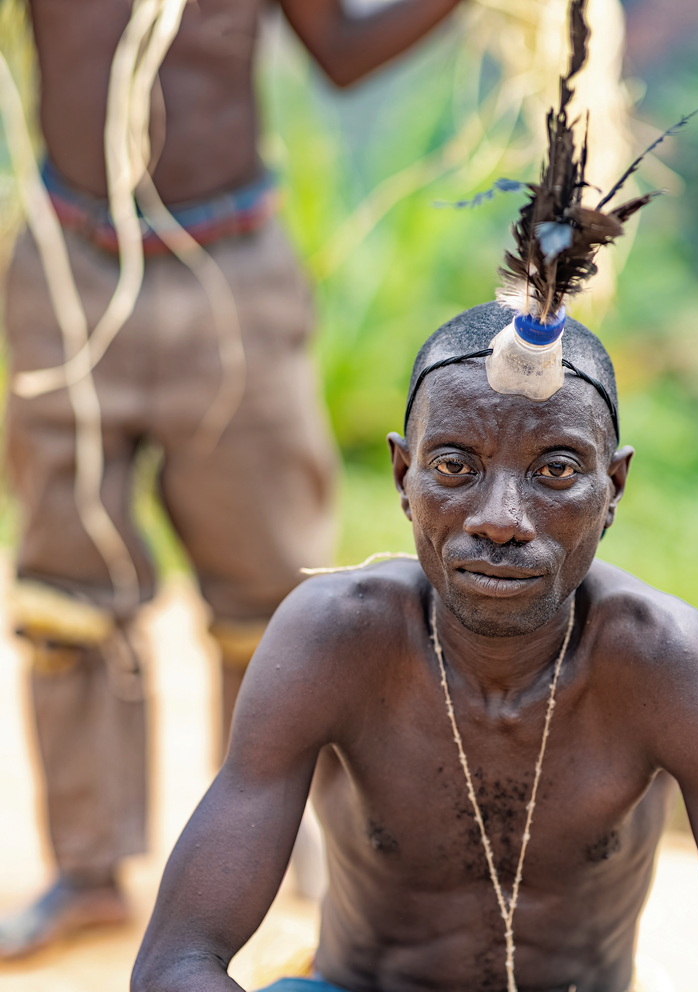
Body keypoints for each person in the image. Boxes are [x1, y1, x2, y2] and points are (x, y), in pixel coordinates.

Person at [131, 300, 698, 992]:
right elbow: (176, 962)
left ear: (612, 489)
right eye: (454, 466)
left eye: (556, 471)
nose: (502, 519)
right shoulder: (337, 639)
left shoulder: (658, 661)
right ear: (401, 475)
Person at [0, 0, 465, 961]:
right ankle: (89, 873)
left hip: (236, 272)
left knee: (272, 588)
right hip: (66, 268)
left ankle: (279, 868)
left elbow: (340, 51)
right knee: (66, 582)